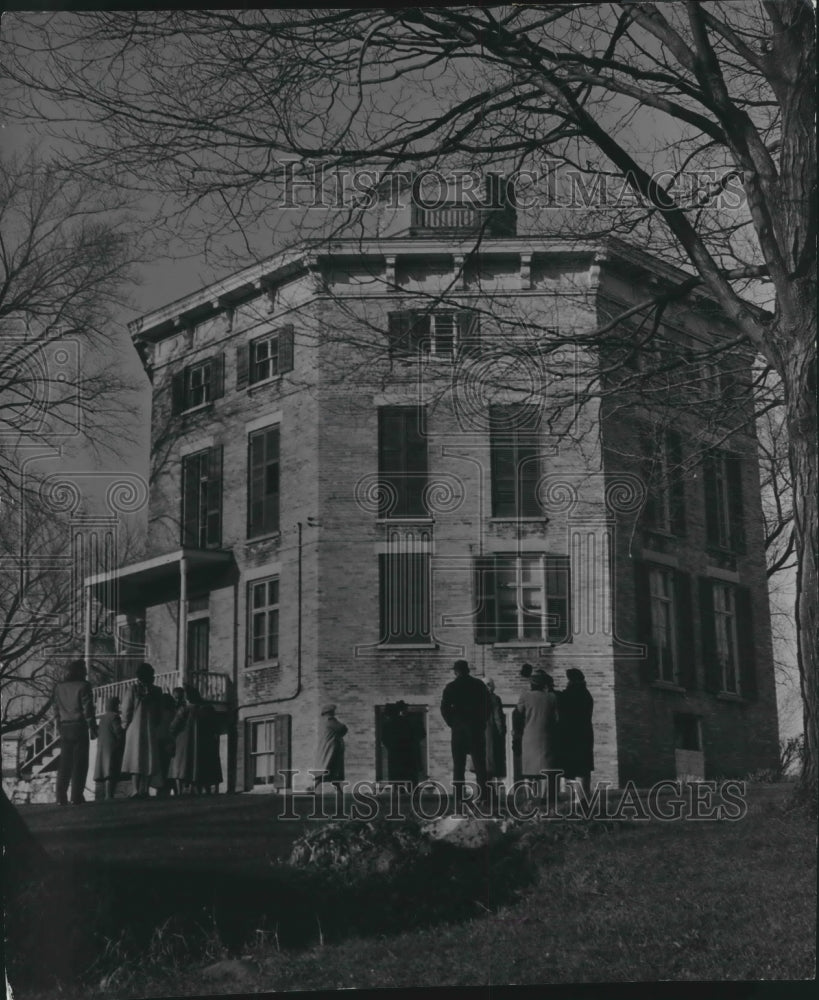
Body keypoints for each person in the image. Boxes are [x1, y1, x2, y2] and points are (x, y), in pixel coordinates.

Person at [440, 659, 491, 804]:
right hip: (475, 728)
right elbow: (488, 706)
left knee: (459, 765)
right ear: (467, 670)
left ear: (456, 671)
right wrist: (482, 722)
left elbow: (444, 709)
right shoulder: (478, 685)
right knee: (480, 764)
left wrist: (453, 723)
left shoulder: (451, 687)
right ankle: (483, 796)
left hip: (459, 729)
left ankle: (458, 797)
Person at [53, 659, 98, 806]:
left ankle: (60, 796)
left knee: (64, 764)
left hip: (65, 726)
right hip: (79, 726)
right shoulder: (84, 686)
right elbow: (88, 708)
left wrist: (59, 726)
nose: (86, 672)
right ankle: (76, 795)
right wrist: (92, 726)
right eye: (84, 669)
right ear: (80, 671)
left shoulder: (59, 687)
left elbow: (56, 710)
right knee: (80, 763)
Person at [513, 669, 559, 808]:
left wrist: (517, 732)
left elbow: (517, 715)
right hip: (547, 737)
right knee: (546, 771)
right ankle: (545, 798)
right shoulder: (552, 698)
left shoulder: (525, 696)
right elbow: (557, 719)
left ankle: (529, 797)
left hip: (529, 737)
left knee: (529, 771)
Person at [168, 685, 223, 794]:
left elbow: (173, 727)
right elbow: (216, 726)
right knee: (203, 768)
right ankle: (205, 791)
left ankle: (180, 793)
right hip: (205, 745)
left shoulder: (184, 710)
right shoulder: (208, 709)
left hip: (183, 745)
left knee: (180, 769)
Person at [121, 662, 164, 798]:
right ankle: (144, 789)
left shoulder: (132, 689)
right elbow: (159, 711)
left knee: (135, 757)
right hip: (150, 726)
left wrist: (125, 725)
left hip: (135, 727)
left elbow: (126, 709)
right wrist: (156, 723)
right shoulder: (156, 691)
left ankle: (135, 789)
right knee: (148, 757)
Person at [558, 668, 594, 800]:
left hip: (572, 735)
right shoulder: (586, 694)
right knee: (583, 769)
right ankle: (583, 797)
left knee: (575, 767)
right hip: (585, 734)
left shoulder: (570, 695)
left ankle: (578, 798)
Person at [381, 700, 421, 790]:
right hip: (407, 754)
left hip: (396, 754)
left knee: (398, 779)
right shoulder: (407, 722)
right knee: (408, 779)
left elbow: (384, 739)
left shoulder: (388, 725)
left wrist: (392, 747)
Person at [94, 696, 124, 801]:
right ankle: (109, 795)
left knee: (104, 772)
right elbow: (118, 732)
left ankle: (104, 796)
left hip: (102, 747)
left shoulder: (102, 718)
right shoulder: (115, 717)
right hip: (112, 748)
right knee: (111, 773)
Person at [314, 704, 347, 792]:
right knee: (328, 769)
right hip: (332, 750)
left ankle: (339, 790)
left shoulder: (323, 722)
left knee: (332, 770)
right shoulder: (331, 721)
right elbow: (343, 729)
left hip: (329, 749)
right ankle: (312, 787)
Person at [485, 679, 507, 782]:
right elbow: (498, 717)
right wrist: (501, 732)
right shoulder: (494, 698)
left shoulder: (473, 698)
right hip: (490, 733)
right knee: (492, 762)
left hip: (478, 734)